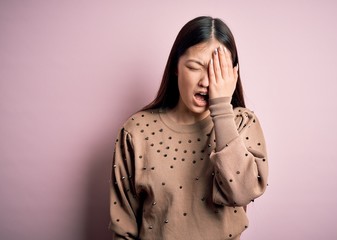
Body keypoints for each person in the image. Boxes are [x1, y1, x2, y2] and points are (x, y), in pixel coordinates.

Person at [109, 16, 269, 240]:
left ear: (233, 75)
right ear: (176, 66)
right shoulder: (136, 131)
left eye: (217, 71)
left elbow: (242, 192)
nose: (206, 81)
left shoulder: (243, 123)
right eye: (195, 67)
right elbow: (123, 227)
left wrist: (222, 108)